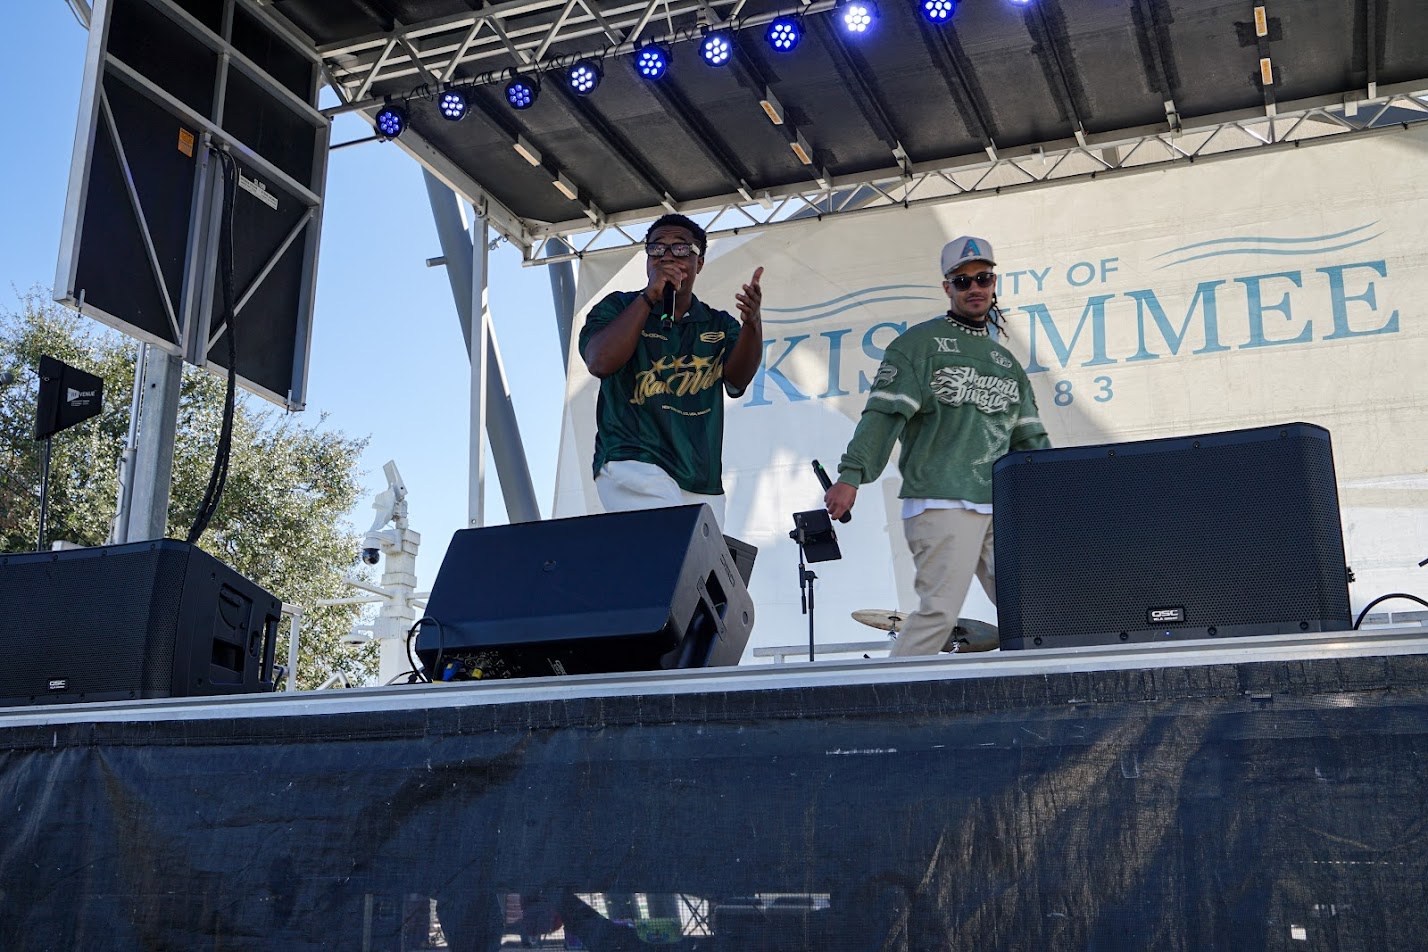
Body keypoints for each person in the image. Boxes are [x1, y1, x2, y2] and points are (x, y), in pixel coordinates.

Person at [823, 236, 1050, 657]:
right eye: (963, 281)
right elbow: (883, 416)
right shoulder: (918, 345)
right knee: (940, 613)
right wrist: (851, 477)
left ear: (994, 282)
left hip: (998, 506)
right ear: (947, 287)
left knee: (1037, 611)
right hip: (941, 499)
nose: (975, 288)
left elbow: (1030, 442)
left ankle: (1047, 695)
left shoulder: (1006, 363)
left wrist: (1052, 493)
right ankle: (886, 704)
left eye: (982, 278)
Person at [579, 214, 764, 526]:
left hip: (700, 476)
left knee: (701, 571)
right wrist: (650, 297)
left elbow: (738, 379)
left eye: (680, 248)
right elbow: (600, 362)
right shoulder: (618, 307)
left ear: (699, 263)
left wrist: (752, 322)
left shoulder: (717, 324)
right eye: (656, 248)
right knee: (670, 546)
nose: (666, 254)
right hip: (633, 460)